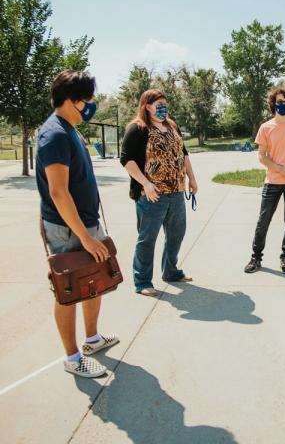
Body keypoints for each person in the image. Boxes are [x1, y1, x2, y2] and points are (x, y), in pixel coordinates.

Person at [36, 70, 118, 378]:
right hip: (70, 229)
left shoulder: (69, 128)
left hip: (83, 223)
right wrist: (84, 237)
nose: (92, 105)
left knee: (93, 280)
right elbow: (57, 191)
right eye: (88, 100)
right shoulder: (54, 134)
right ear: (72, 101)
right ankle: (72, 358)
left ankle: (92, 339)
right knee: (68, 289)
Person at [120, 89, 198, 296]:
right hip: (152, 195)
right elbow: (126, 160)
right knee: (147, 239)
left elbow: (183, 153)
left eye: (165, 103)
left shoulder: (171, 126)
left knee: (176, 235)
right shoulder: (137, 128)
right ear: (147, 106)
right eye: (158, 104)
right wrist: (145, 184)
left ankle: (171, 272)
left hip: (176, 192)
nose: (163, 107)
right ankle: (142, 282)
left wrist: (192, 178)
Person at [244, 87, 285, 275]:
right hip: (272, 182)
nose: (283, 105)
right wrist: (281, 169)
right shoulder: (266, 127)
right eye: (279, 102)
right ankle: (256, 257)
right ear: (273, 104)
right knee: (263, 221)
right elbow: (262, 156)